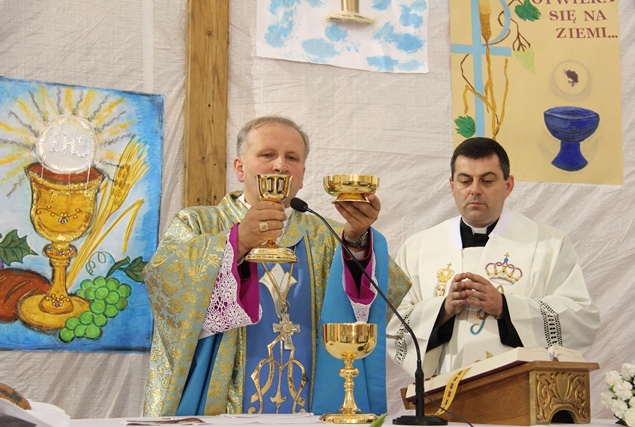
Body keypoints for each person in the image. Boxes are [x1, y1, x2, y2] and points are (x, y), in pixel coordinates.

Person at [143, 115, 411, 416]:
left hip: (312, 404)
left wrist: (357, 243)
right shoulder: (199, 224)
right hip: (224, 405)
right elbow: (164, 286)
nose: (280, 165)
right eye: (267, 154)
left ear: (303, 174)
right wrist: (237, 243)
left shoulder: (330, 235)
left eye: (292, 158)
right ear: (240, 167)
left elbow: (382, 300)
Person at [386, 137, 600, 378]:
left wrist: (505, 307)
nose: (475, 190)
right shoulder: (417, 248)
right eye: (465, 181)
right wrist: (443, 310)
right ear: (452, 185)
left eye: (487, 181)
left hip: (519, 391)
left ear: (508, 185)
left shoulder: (549, 244)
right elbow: (392, 324)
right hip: (442, 392)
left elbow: (581, 319)